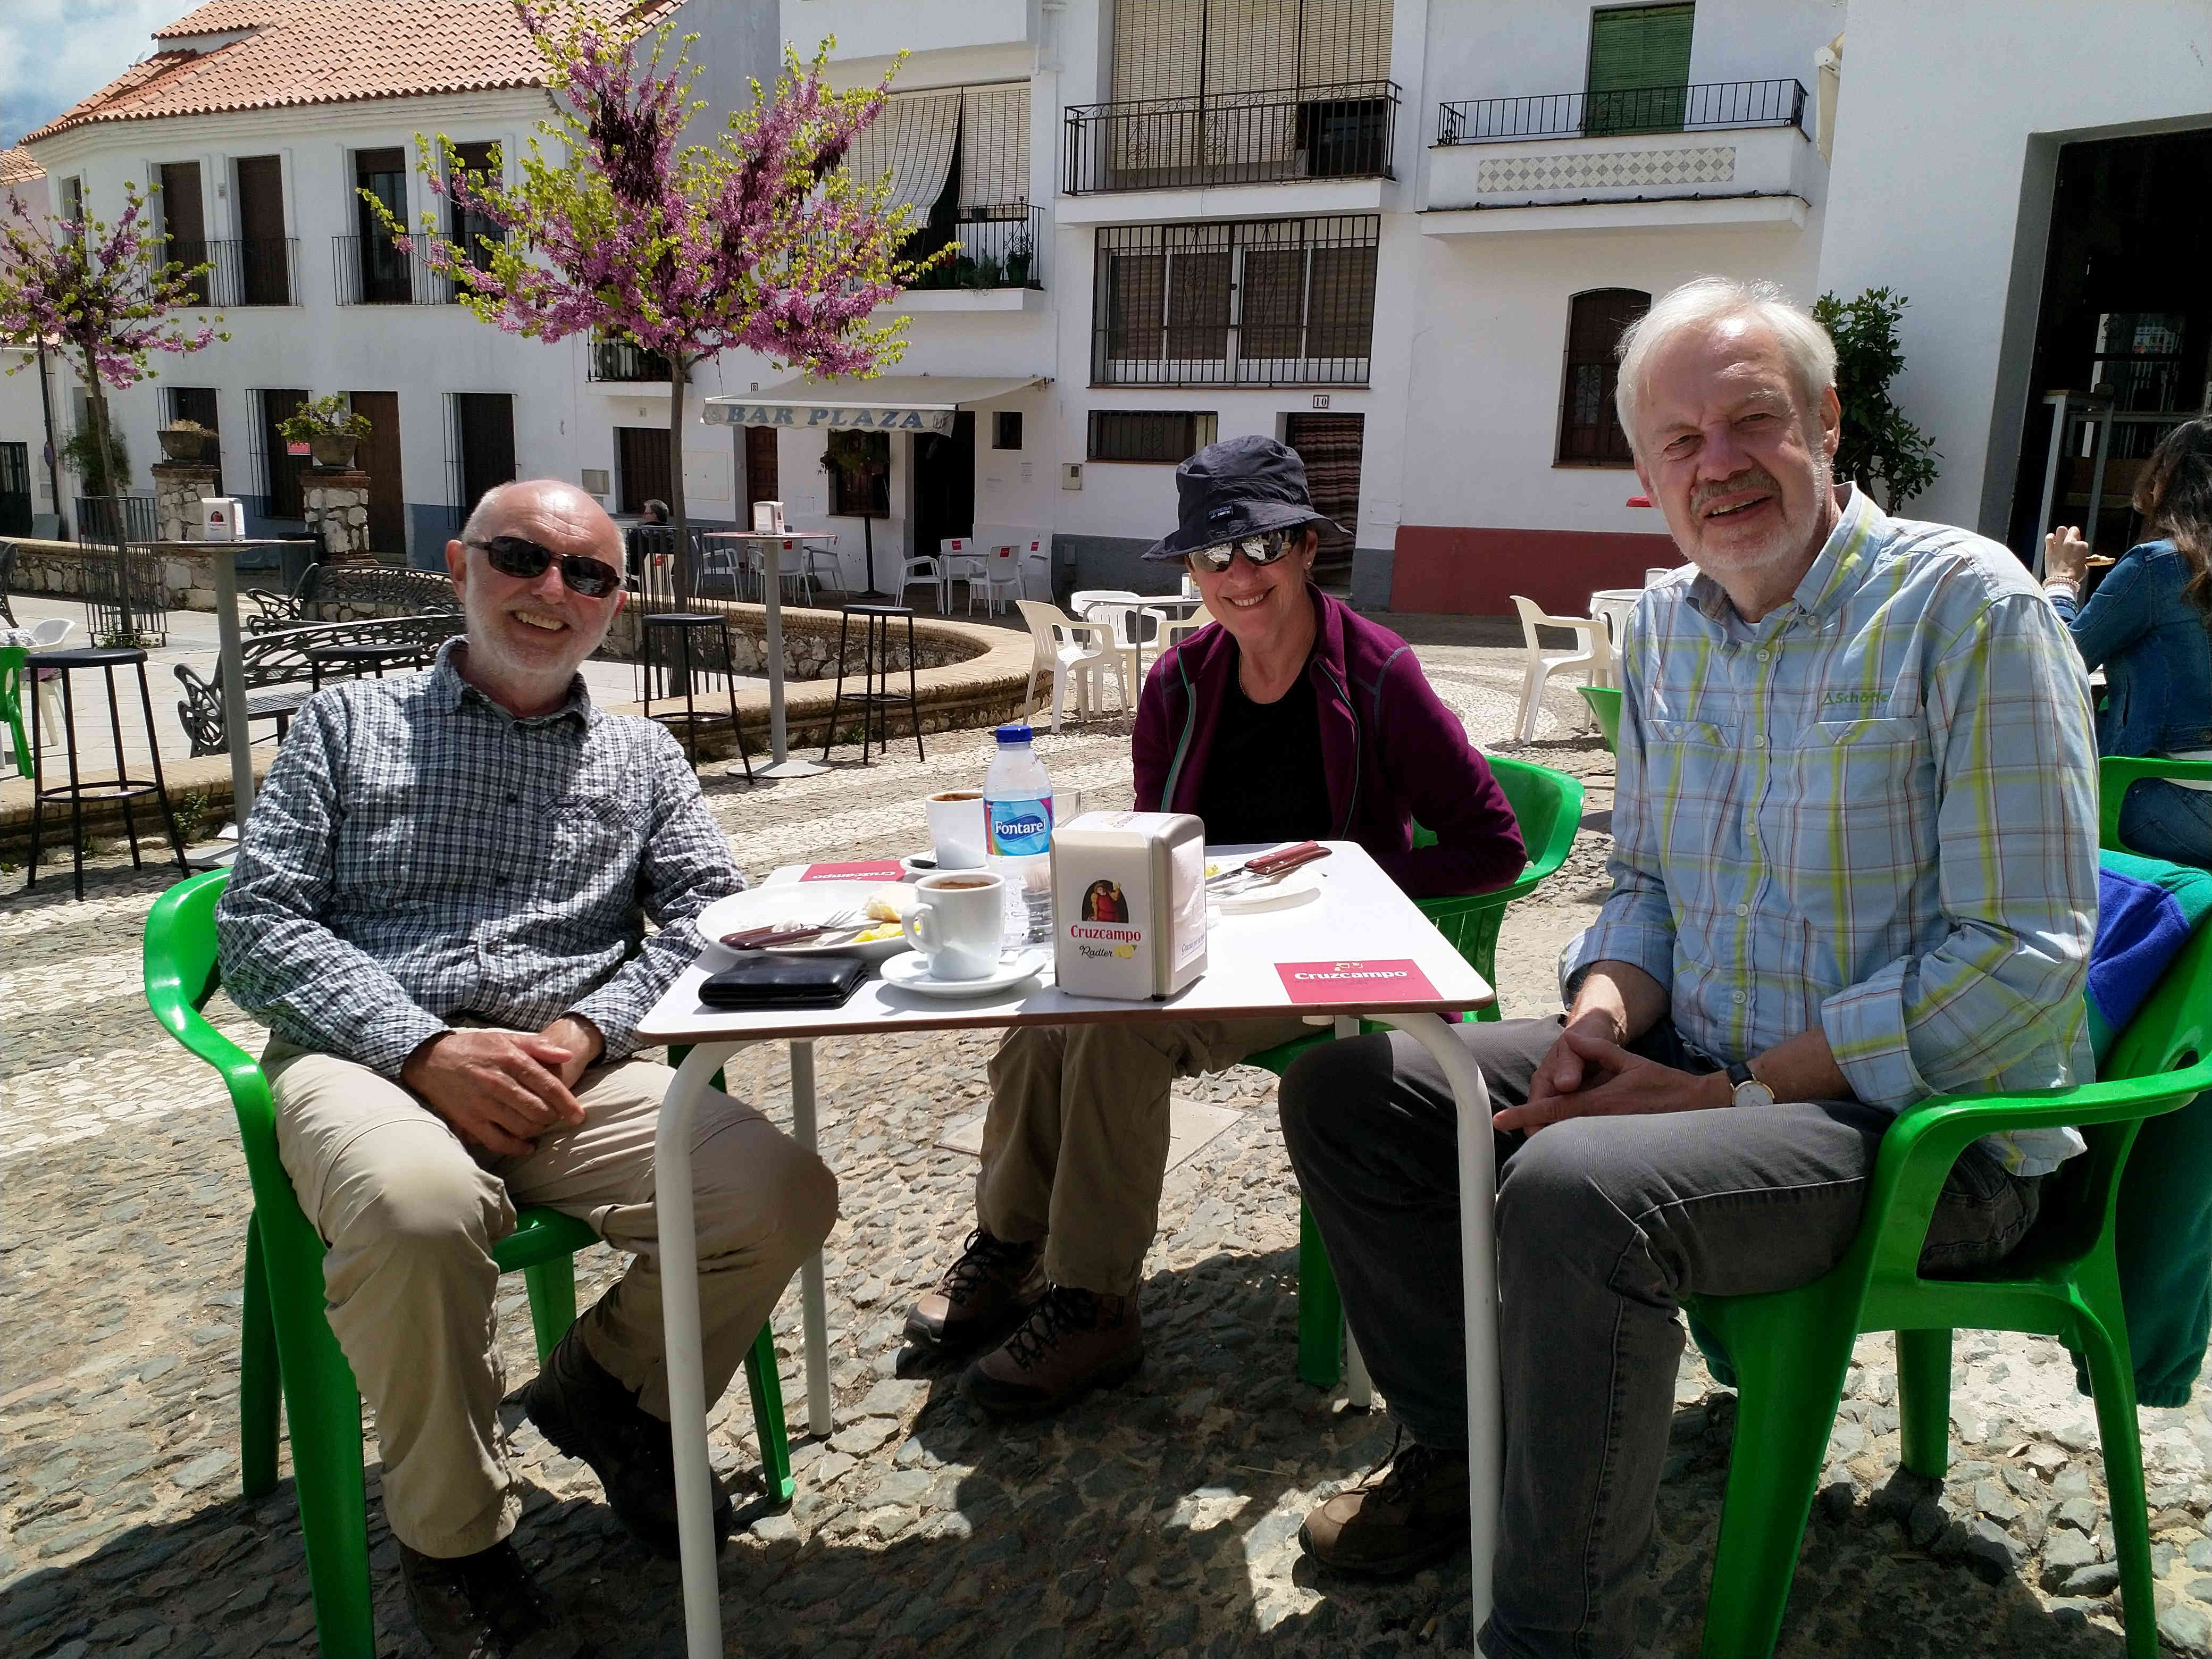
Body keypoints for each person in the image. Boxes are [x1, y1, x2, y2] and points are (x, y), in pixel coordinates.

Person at [1278, 278, 2098, 1657]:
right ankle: (1469, 1457)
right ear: (1646, 473)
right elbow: (1645, 888)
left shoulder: (1970, 610)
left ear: (1827, 425)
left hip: (1923, 1137)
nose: (1716, 466)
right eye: (1678, 441)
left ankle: (1553, 1632)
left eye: (1752, 422)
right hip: (1708, 1067)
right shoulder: (1662, 627)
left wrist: (1747, 1094)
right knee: (1363, 1090)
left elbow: (2027, 954)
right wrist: (1597, 1022)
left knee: (1572, 1197)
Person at [216, 479, 837, 1659]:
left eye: (589, 575)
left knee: (778, 1192)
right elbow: (259, 930)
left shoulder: (642, 755)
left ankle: (607, 1391)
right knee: (419, 1207)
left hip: (572, 1067)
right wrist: (423, 1047)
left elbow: (710, 917)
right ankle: (454, 1545)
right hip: (372, 1056)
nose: (554, 592)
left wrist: (591, 1030)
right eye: (522, 558)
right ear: (459, 565)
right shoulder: (346, 726)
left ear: (617, 602)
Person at [904, 435, 1527, 1417]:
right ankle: (1013, 1249)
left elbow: (1493, 844)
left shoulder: (1378, 674)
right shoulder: (1179, 684)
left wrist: (1349, 869)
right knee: (1048, 1013)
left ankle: (1096, 1301)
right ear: (1190, 568)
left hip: (1323, 958)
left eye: (1263, 547)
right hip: (1208, 943)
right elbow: (1160, 841)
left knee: (1122, 1030)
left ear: (1307, 548)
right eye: (1213, 556)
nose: (1240, 576)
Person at [2043, 416, 2212, 866]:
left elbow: (2056, 663)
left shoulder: (2157, 565)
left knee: (2032, 816)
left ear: (2165, 481)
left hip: (2178, 798)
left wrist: (2061, 582)